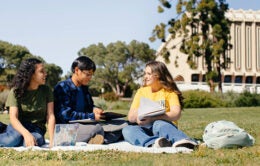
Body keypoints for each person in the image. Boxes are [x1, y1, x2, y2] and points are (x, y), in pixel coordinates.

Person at [122, 61, 198, 149]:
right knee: (127, 130)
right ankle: (154, 143)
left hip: (163, 126)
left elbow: (176, 113)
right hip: (145, 128)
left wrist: (153, 118)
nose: (145, 77)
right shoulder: (141, 91)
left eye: (149, 74)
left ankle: (183, 141)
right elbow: (131, 117)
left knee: (158, 124)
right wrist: (139, 116)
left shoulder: (169, 92)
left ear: (158, 75)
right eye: (145, 73)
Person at [54, 56, 125, 144]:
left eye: (91, 75)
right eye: (88, 74)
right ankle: (99, 137)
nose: (90, 77)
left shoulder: (84, 89)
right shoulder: (62, 87)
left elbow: (89, 106)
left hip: (85, 126)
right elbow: (65, 115)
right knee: (97, 128)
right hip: (65, 130)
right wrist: (92, 116)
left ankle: (97, 138)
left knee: (122, 123)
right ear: (77, 70)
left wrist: (94, 109)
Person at [0, 58, 55, 147]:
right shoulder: (15, 91)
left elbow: (50, 115)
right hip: (18, 127)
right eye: (41, 71)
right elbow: (13, 117)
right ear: (31, 74)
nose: (45, 74)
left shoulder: (46, 90)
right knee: (13, 140)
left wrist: (53, 140)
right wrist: (26, 134)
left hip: (37, 129)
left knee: (30, 143)